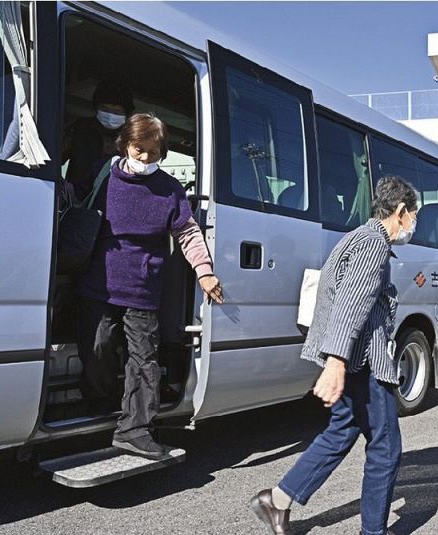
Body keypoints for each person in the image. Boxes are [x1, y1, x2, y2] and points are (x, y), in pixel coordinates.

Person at [249, 175, 419, 535]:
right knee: (386, 448)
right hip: (364, 362)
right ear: (401, 211)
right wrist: (336, 362)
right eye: (413, 214)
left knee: (341, 432)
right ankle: (373, 531)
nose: (413, 224)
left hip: (353, 360)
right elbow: (350, 305)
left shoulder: (355, 237)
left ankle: (276, 500)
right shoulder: (373, 244)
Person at [75, 113, 224, 459]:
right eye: (139, 149)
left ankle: (135, 429)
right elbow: (73, 199)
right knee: (97, 349)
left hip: (143, 287)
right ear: (125, 144)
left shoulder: (170, 189)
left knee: (144, 361)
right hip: (99, 281)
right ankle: (101, 402)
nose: (144, 159)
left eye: (153, 153)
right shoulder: (103, 175)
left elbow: (187, 231)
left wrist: (204, 270)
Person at [62, 80, 135, 200]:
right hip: (76, 201)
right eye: (105, 109)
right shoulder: (80, 128)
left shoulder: (132, 138)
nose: (110, 115)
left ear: (126, 114)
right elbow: (54, 158)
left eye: (117, 111)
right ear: (96, 108)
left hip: (113, 203)